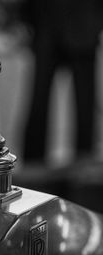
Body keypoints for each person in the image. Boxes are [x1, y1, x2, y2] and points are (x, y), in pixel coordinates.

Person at [23, 0, 103, 164]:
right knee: (38, 101)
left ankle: (84, 162)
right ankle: (32, 165)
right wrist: (26, 19)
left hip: (84, 25)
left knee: (85, 104)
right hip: (46, 24)